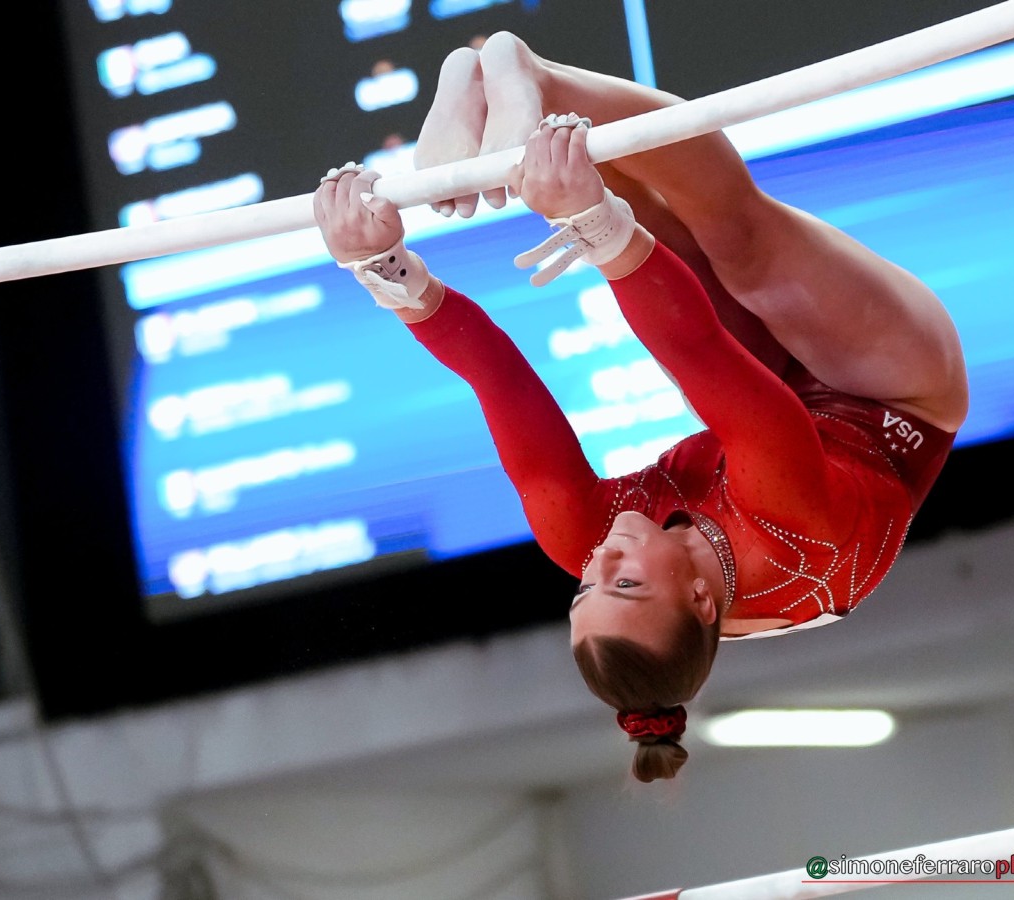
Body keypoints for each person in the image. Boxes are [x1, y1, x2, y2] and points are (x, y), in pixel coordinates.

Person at [312, 32, 968, 782]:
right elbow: (702, 354)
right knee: (741, 245)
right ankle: (537, 78)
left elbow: (500, 383)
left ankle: (517, 89)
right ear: (701, 598)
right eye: (625, 582)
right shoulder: (791, 537)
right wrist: (594, 224)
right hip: (889, 393)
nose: (600, 560)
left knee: (638, 205)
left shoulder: (585, 541)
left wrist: (384, 269)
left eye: (584, 589)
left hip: (762, 407)